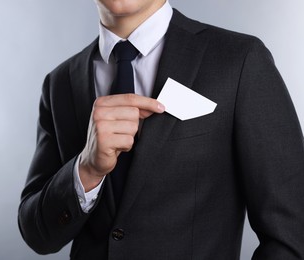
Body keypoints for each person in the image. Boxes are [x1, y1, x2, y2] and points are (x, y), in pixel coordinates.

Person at [18, 0, 304, 259]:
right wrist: (86, 171)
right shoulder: (59, 83)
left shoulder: (239, 60)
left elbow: (292, 233)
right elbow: (37, 234)